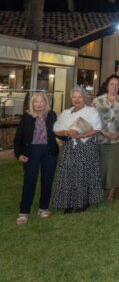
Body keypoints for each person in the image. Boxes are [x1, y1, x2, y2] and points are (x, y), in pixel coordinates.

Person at [52, 86, 103, 213]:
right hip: (69, 147)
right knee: (68, 174)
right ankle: (68, 202)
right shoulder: (65, 113)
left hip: (86, 146)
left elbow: (97, 128)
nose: (77, 99)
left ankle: (82, 202)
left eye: (80, 96)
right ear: (71, 98)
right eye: (74, 97)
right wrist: (66, 132)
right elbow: (55, 129)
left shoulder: (92, 111)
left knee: (83, 174)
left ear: (84, 98)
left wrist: (81, 135)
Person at [14, 92, 58, 225]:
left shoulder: (52, 115)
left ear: (46, 103)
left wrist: (71, 135)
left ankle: (43, 208)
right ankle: (24, 212)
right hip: (31, 152)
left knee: (47, 180)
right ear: (32, 104)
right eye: (36, 102)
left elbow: (58, 131)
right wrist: (18, 154)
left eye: (42, 101)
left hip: (49, 151)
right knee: (29, 181)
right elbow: (18, 137)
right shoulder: (26, 117)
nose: (39, 104)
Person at [92, 75, 119, 201]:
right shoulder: (97, 101)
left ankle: (112, 192)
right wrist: (103, 132)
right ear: (107, 86)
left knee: (114, 166)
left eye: (117, 85)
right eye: (112, 84)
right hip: (100, 138)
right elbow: (92, 119)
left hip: (117, 139)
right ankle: (100, 190)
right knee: (101, 165)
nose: (114, 87)